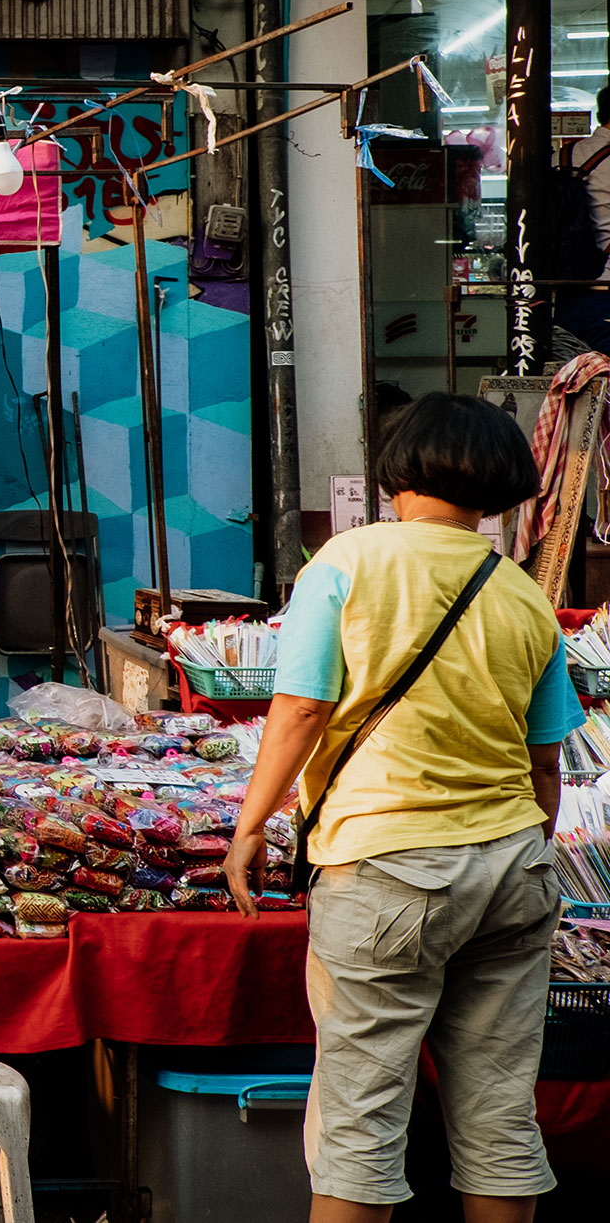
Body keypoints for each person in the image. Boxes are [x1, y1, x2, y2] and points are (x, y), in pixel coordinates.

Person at [230, 391, 580, 1223]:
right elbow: (545, 762)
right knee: (501, 1117)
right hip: (513, 867)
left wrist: (249, 826)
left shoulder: (347, 561)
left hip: (385, 866)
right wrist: (517, 850)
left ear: (399, 472)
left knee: (359, 1122)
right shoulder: (524, 594)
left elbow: (302, 709)